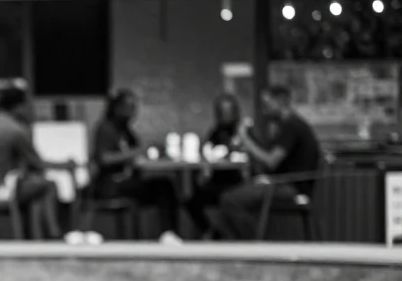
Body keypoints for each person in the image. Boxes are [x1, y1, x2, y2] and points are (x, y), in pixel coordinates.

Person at [213, 85, 321, 240]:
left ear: (279, 102)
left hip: (291, 188)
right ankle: (246, 241)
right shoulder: (288, 125)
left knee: (229, 200)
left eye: (267, 104)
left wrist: (245, 139)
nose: (264, 110)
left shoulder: (292, 126)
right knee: (231, 195)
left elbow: (271, 161)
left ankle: (254, 242)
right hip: (282, 184)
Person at [0, 80, 62, 239]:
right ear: (19, 106)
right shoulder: (15, 129)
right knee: (48, 185)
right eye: (28, 106)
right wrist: (65, 165)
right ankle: (53, 234)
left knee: (31, 186)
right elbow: (36, 163)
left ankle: (35, 235)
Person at [90, 89, 182, 243]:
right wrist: (137, 152)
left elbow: (138, 151)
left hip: (128, 182)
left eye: (134, 107)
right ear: (117, 107)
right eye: (129, 107)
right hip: (111, 186)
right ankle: (167, 232)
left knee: (165, 185)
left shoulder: (126, 131)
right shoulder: (106, 128)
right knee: (163, 187)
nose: (133, 112)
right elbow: (104, 158)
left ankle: (169, 233)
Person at [183, 93, 248, 239]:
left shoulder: (243, 132)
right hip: (216, 180)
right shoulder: (216, 132)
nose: (225, 114)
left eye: (228, 110)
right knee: (192, 200)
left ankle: (237, 237)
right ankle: (213, 234)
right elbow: (207, 151)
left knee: (227, 199)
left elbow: (248, 157)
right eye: (221, 110)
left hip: (237, 182)